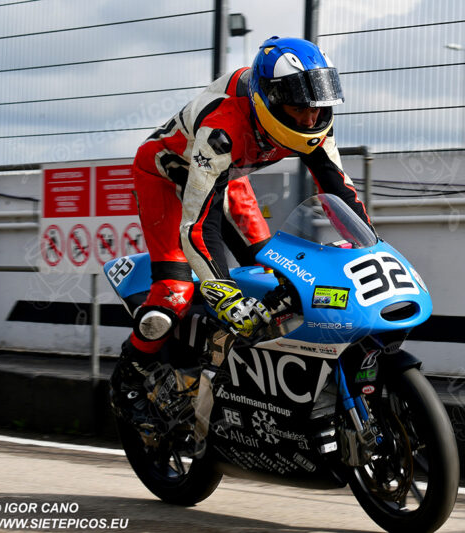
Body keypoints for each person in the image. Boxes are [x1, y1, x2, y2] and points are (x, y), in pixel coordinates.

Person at [118, 36, 373, 385]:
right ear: (269, 100)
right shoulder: (222, 128)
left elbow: (340, 191)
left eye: (318, 106)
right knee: (174, 294)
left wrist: (371, 250)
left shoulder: (314, 126)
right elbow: (197, 225)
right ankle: (130, 375)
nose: (311, 117)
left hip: (226, 176)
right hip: (164, 176)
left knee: (267, 279)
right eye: (299, 107)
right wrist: (224, 294)